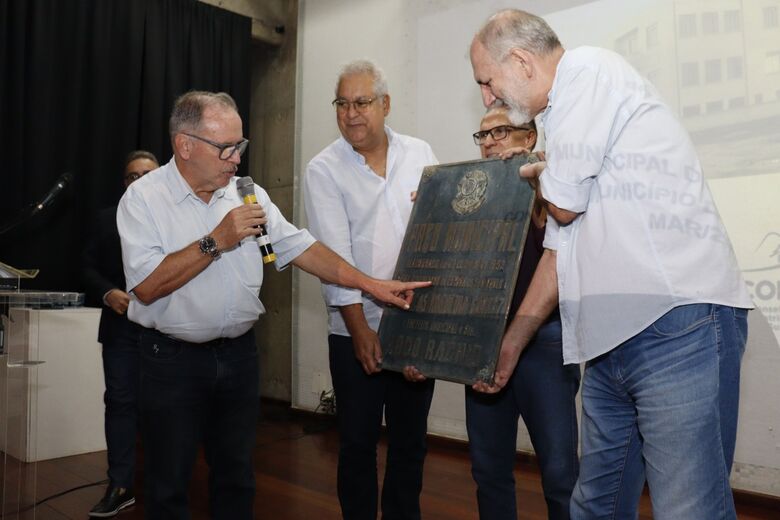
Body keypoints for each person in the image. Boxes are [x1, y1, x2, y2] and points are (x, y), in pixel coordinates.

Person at [469, 9, 752, 520]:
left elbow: (563, 205)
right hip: (608, 345)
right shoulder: (564, 118)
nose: (487, 97)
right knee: (594, 507)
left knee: (689, 510)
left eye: (487, 82)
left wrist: (533, 172)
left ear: (520, 60)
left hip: (676, 326)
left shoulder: (589, 72)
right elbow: (559, 250)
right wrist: (508, 349)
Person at [117, 90, 429, 520]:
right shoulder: (143, 199)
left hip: (239, 357)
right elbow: (147, 287)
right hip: (172, 362)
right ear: (184, 145)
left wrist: (371, 284)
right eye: (225, 147)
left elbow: (303, 248)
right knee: (169, 484)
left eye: (240, 145)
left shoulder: (248, 194)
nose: (236, 159)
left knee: (238, 478)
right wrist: (216, 241)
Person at [303, 60, 437, 520]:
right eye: (342, 103)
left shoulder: (421, 153)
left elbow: (435, 235)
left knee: (410, 443)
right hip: (353, 329)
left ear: (385, 104)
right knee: (357, 443)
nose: (351, 113)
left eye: (361, 102)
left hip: (416, 324)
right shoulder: (323, 170)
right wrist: (359, 328)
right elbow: (333, 259)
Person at [466, 106, 580, 520]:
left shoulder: (552, 184)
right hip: (483, 342)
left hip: (544, 342)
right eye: (483, 135)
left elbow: (559, 230)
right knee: (488, 468)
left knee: (560, 473)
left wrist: (537, 177)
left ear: (529, 137)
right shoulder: (471, 194)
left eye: (500, 131)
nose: (490, 141)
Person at [83, 150, 159, 518]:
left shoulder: (182, 217)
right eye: (132, 176)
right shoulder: (103, 219)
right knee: (120, 403)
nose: (140, 181)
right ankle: (121, 484)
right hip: (120, 330)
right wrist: (106, 291)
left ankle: (169, 482)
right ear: (123, 182)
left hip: (169, 329)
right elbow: (85, 266)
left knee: (169, 407)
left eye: (148, 173)